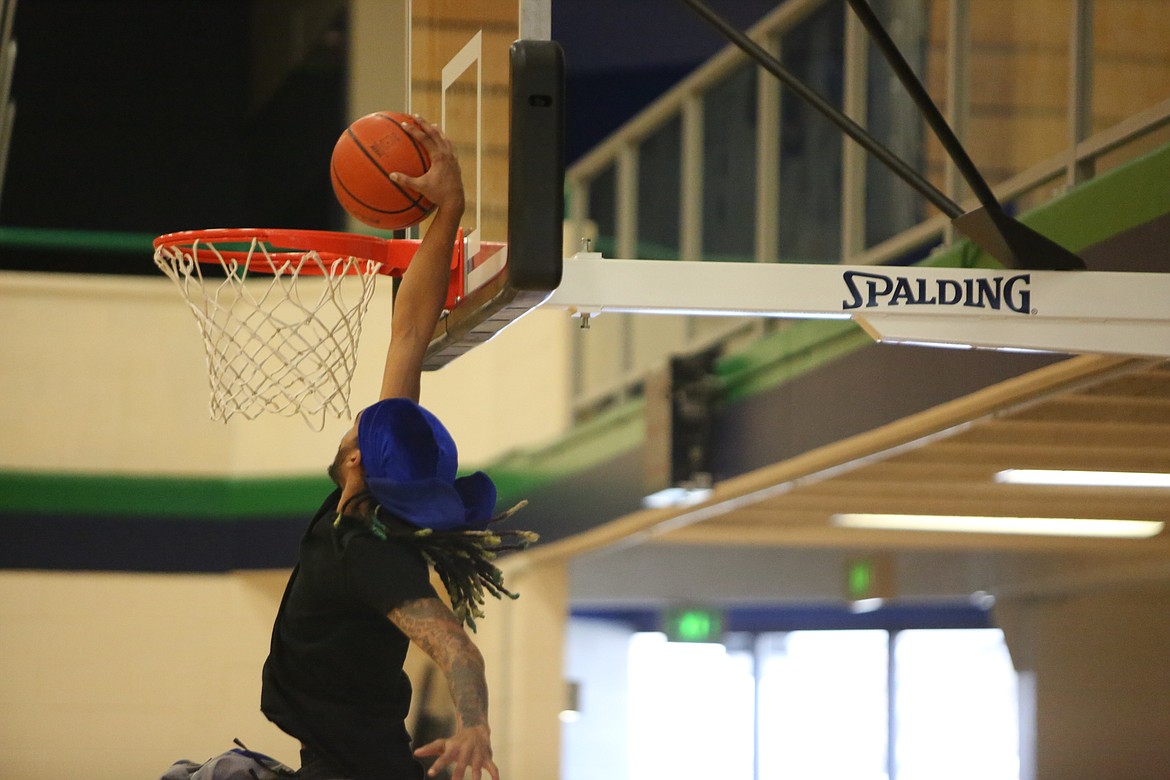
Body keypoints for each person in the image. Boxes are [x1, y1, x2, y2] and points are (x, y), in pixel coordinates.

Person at [261, 117, 533, 780]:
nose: (359, 425)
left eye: (363, 426)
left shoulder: (368, 555)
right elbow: (409, 332)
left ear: (358, 457)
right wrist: (449, 210)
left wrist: (474, 726)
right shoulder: (362, 515)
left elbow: (455, 648)